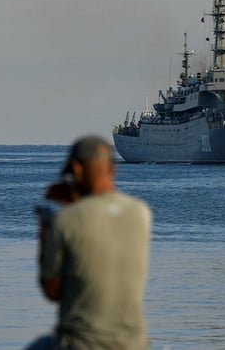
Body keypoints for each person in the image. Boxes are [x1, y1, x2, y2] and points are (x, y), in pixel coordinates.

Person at [27, 135, 152, 350]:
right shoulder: (141, 214)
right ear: (114, 170)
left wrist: (45, 233)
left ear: (76, 170)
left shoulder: (66, 221)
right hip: (134, 345)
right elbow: (102, 219)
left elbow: (52, 291)